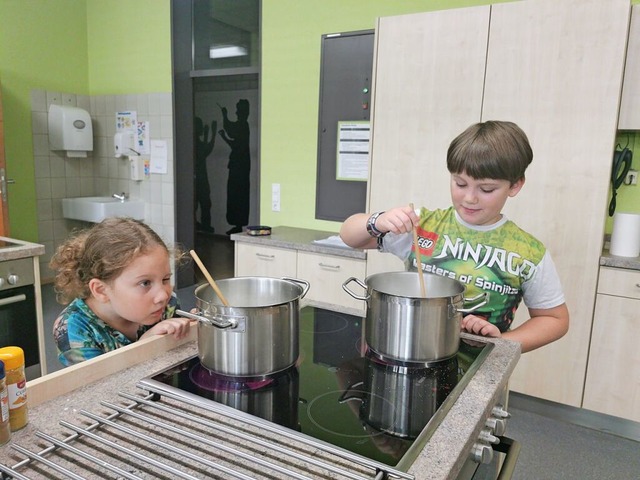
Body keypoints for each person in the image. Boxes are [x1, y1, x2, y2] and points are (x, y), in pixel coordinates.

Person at [340, 121, 569, 353]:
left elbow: (555, 320)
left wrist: (502, 341)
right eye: (460, 183)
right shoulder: (424, 225)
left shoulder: (528, 252)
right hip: (408, 353)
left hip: (479, 372)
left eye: (486, 189)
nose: (469, 198)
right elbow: (350, 236)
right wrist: (377, 220)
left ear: (515, 185)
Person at [49, 217, 192, 366]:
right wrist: (144, 346)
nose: (163, 295)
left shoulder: (168, 305)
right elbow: (101, 385)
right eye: (145, 283)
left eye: (165, 279)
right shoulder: (73, 329)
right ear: (101, 290)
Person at [218, 99, 251, 235]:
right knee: (236, 195)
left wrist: (224, 115)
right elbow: (234, 141)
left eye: (238, 109)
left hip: (239, 167)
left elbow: (231, 131)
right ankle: (237, 224)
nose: (236, 112)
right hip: (240, 165)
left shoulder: (243, 125)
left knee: (237, 195)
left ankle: (238, 224)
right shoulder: (243, 125)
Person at [195, 116, 217, 234]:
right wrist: (212, 132)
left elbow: (206, 148)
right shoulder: (195, 144)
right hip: (200, 179)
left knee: (203, 204)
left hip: (201, 178)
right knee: (204, 203)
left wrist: (210, 132)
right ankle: (204, 226)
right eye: (200, 127)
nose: (202, 129)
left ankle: (204, 226)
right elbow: (207, 149)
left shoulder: (194, 143)